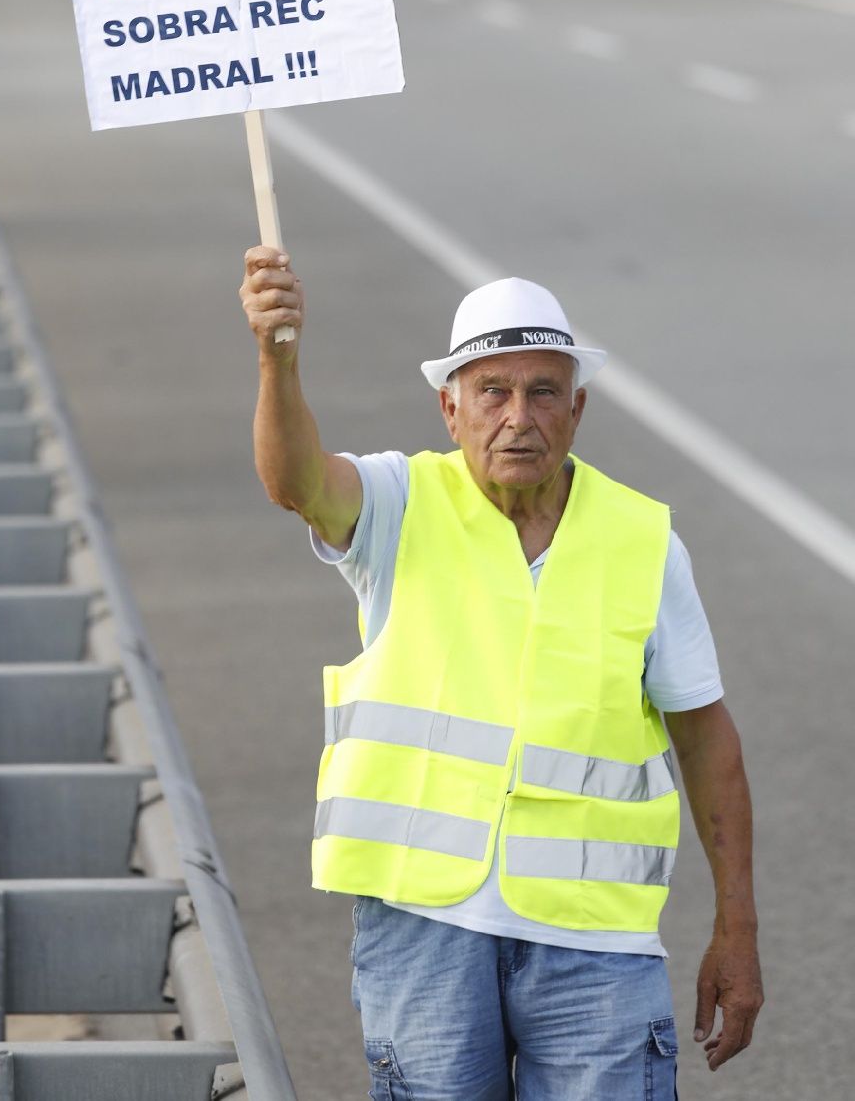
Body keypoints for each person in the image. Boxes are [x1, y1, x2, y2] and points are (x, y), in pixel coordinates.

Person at [240, 249, 763, 1100]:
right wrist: (277, 354)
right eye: (492, 392)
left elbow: (708, 741)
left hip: (597, 940)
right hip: (425, 926)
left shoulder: (642, 542)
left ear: (577, 409)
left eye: (542, 392)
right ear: (450, 409)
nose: (517, 417)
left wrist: (736, 927)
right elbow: (292, 481)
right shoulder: (396, 504)